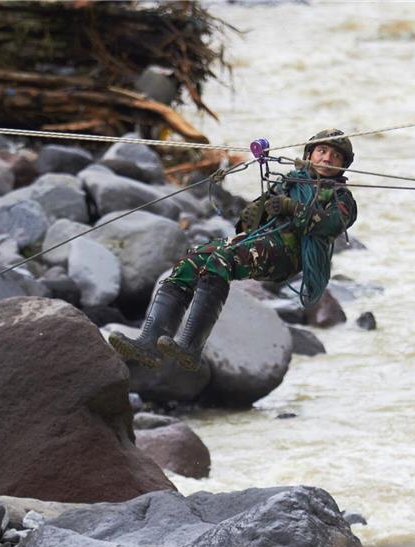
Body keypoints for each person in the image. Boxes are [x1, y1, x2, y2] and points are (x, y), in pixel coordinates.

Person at [110, 128, 358, 372]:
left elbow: (330, 224)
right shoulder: (288, 183)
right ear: (309, 154)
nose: (327, 158)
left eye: (335, 156)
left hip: (288, 256)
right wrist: (258, 211)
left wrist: (291, 207)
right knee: (191, 260)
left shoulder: (342, 198)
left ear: (343, 165)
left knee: (221, 260)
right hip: (262, 242)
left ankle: (190, 347)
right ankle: (149, 343)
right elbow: (250, 221)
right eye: (322, 151)